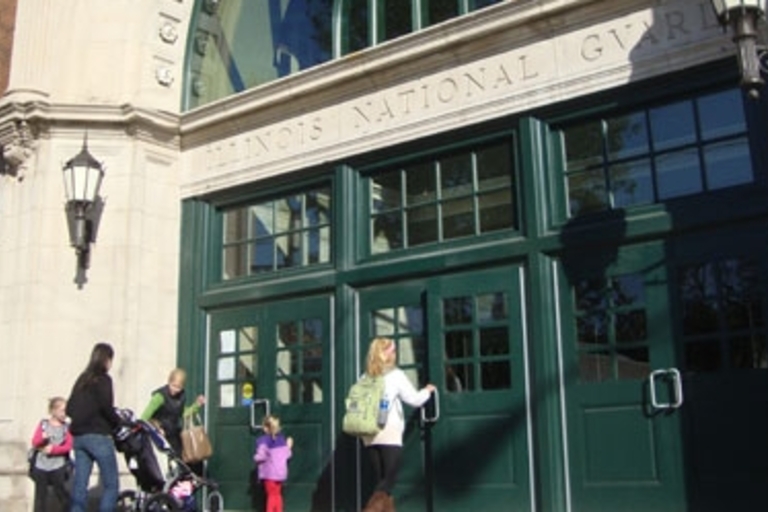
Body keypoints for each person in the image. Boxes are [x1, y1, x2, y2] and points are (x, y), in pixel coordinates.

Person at [361, 337, 435, 512]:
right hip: (388, 432)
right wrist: (427, 391)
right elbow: (414, 399)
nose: (395, 354)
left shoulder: (363, 377)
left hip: (369, 434)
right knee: (387, 482)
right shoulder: (395, 375)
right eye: (393, 351)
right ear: (386, 354)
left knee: (382, 482)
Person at [66, 342, 123, 512]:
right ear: (107, 360)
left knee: (80, 484)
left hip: (79, 437)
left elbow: (69, 408)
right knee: (111, 485)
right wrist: (118, 422)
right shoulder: (104, 380)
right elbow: (106, 407)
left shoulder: (82, 379)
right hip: (98, 435)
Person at [140, 368, 206, 457]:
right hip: (160, 434)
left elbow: (182, 412)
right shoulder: (159, 396)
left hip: (173, 432)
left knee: (181, 457)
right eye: (173, 386)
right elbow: (145, 417)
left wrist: (197, 405)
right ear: (169, 382)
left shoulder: (181, 396)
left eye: (178, 387)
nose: (175, 390)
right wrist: (156, 429)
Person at [29, 396, 73, 512]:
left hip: (58, 465)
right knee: (40, 496)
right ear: (53, 411)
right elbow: (35, 442)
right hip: (41, 466)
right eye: (62, 410)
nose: (64, 413)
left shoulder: (66, 428)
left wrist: (53, 450)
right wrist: (42, 439)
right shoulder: (44, 425)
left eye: (66, 410)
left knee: (61, 494)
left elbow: (68, 446)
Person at [253, 414, 293, 512]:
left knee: (271, 495)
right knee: (277, 495)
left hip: (269, 474)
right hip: (280, 473)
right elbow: (287, 455)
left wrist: (255, 458)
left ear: (265, 428)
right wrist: (289, 447)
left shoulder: (263, 441)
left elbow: (261, 456)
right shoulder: (282, 440)